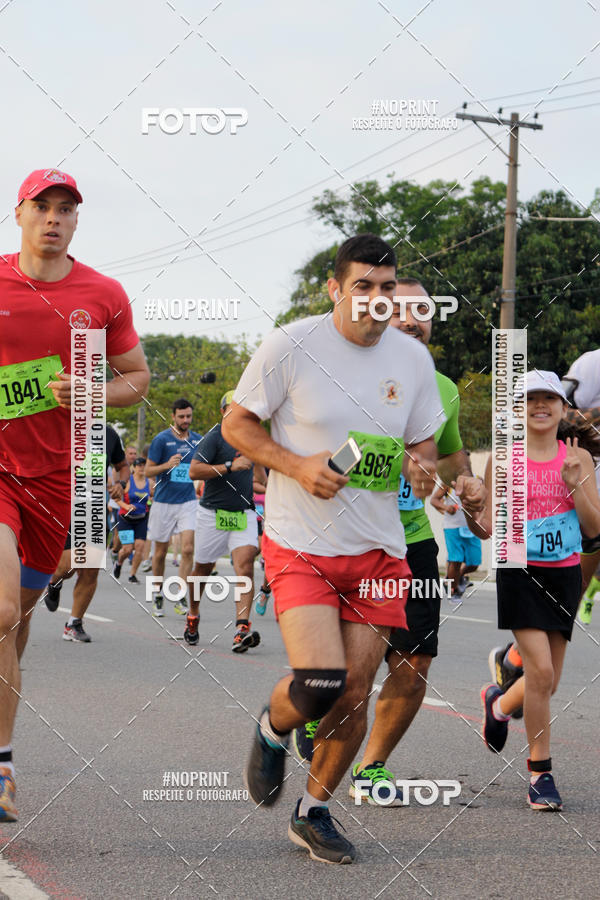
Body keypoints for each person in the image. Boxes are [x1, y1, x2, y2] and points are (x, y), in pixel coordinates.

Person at [223, 233, 447, 863]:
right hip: (301, 544)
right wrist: (295, 465)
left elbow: (422, 449)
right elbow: (237, 423)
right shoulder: (292, 344)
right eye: (362, 287)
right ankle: (273, 730)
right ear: (334, 288)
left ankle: (314, 810)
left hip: (380, 549)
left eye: (386, 288)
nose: (376, 300)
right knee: (321, 681)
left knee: (355, 691)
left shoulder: (412, 361)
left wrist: (422, 471)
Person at [291, 279, 486, 805]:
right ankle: (316, 717)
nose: (411, 319)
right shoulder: (343, 376)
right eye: (398, 309)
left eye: (421, 311)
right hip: (342, 540)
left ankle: (371, 766)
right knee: (345, 672)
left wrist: (466, 482)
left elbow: (450, 455)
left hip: (412, 543)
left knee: (414, 661)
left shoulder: (442, 388)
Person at [0, 168, 149, 821]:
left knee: (18, 619)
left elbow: (136, 379)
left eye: (66, 209)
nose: (54, 218)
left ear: (77, 221)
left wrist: (90, 392)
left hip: (59, 478)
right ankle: (2, 769)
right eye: (43, 206)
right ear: (20, 213)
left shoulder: (102, 294)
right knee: (2, 613)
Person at [474, 371, 600, 810]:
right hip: (518, 571)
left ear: (563, 408)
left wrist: (574, 486)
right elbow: (486, 527)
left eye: (549, 397)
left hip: (564, 575)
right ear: (517, 410)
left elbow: (594, 527)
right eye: (530, 399)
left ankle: (499, 703)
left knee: (549, 684)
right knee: (541, 674)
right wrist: (472, 509)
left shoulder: (579, 458)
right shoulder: (503, 460)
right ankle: (540, 773)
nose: (540, 405)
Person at [186, 391, 266, 651]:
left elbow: (260, 481)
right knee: (202, 570)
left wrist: (261, 472)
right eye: (233, 409)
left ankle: (242, 628)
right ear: (223, 412)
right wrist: (230, 465)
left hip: (242, 513)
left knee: (244, 566)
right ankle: (193, 616)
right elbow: (194, 471)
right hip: (212, 513)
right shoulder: (215, 436)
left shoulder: (251, 438)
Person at [45, 424, 131, 642]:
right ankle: (54, 581)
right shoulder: (59, 426)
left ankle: (74, 623)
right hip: (65, 505)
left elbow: (123, 466)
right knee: (67, 567)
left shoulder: (109, 433)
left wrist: (120, 483)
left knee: (91, 569)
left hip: (94, 508)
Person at [145, 399, 202, 617]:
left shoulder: (198, 440)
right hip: (163, 503)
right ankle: (158, 593)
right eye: (181, 417)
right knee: (159, 553)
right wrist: (166, 466)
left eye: (188, 416)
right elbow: (149, 471)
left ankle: (179, 594)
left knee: (188, 549)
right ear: (173, 416)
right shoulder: (161, 440)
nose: (185, 420)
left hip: (188, 501)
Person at [430, 483, 482, 603]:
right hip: (452, 527)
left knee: (474, 562)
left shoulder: (477, 480)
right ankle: (453, 591)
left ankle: (454, 578)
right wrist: (446, 507)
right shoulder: (447, 483)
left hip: (471, 527)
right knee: (456, 560)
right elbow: (434, 500)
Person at [113, 457, 153, 584]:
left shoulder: (150, 482)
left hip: (141, 518)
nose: (141, 468)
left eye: (144, 465)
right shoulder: (128, 482)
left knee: (140, 548)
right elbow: (116, 498)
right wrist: (126, 506)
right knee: (128, 549)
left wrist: (151, 501)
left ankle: (132, 575)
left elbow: (153, 495)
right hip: (126, 519)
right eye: (139, 465)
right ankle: (119, 563)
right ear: (134, 468)